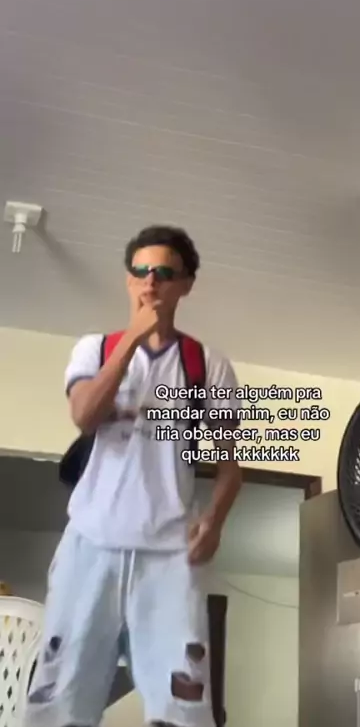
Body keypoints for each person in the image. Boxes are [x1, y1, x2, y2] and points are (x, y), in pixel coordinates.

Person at [26, 225, 243, 727]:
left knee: (182, 704)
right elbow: (85, 416)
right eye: (141, 271)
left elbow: (232, 467)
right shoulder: (95, 349)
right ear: (128, 280)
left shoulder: (206, 365)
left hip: (170, 555)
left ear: (185, 285)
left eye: (164, 272)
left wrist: (215, 521)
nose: (151, 281)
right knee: (60, 697)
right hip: (90, 545)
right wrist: (132, 342)